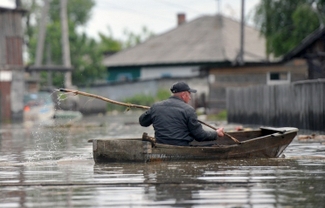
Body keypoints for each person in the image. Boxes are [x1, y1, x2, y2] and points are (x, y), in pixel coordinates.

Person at [139, 81, 224, 146]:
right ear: (183, 95)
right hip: (181, 147)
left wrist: (152, 111)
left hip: (161, 145)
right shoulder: (189, 110)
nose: (190, 98)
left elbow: (143, 122)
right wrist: (216, 133)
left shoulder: (156, 107)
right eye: (189, 95)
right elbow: (200, 136)